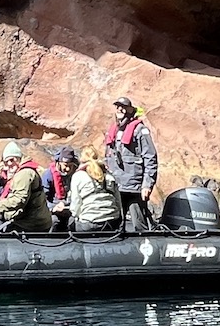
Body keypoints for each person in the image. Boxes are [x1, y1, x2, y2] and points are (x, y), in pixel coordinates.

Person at [104, 96, 159, 231]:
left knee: (139, 225)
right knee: (116, 226)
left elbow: (150, 157)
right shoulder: (113, 130)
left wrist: (147, 185)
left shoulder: (140, 130)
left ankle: (146, 249)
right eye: (118, 107)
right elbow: (107, 156)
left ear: (130, 110)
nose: (120, 109)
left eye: (123, 107)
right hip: (116, 187)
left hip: (134, 188)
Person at [0, 142, 54, 234]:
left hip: (32, 224)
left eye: (12, 159)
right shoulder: (26, 170)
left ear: (19, 157)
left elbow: (19, 200)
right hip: (37, 219)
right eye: (6, 162)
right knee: (0, 218)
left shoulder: (24, 174)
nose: (9, 164)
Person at [66, 152, 123, 232]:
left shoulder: (78, 176)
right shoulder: (109, 175)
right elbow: (118, 202)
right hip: (112, 223)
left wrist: (77, 217)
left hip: (88, 224)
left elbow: (76, 205)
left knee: (69, 223)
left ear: (82, 161)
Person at [44, 146, 79, 233]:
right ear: (59, 163)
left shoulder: (77, 174)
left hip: (71, 211)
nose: (68, 169)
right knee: (53, 222)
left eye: (70, 166)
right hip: (53, 211)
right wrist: (53, 208)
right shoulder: (49, 175)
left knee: (75, 223)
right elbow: (42, 198)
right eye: (65, 165)